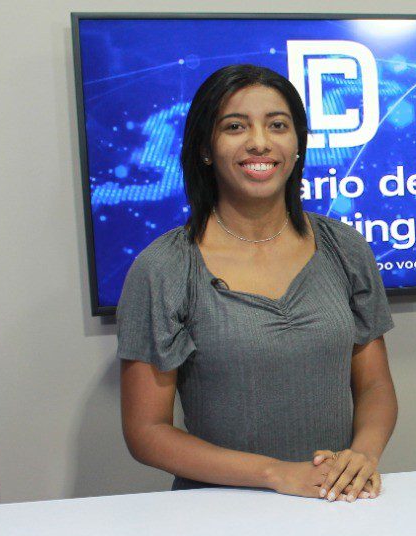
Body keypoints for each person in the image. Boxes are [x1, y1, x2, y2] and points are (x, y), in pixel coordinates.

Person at [117, 64, 397, 503]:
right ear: (205, 148)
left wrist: (361, 456)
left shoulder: (345, 248)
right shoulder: (163, 268)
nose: (260, 142)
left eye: (277, 125)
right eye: (235, 126)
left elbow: (375, 386)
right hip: (219, 515)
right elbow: (146, 432)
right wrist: (276, 474)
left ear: (298, 144)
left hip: (335, 505)